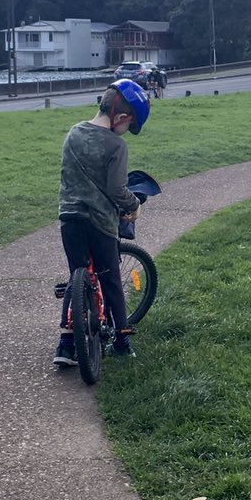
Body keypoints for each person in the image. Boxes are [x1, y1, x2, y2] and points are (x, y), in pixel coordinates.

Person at [53, 79, 150, 366]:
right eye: (128, 126)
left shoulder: (73, 133)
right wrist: (133, 207)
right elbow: (117, 189)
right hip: (100, 223)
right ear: (121, 117)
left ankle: (66, 344)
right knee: (110, 280)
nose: (126, 133)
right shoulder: (116, 145)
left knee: (76, 275)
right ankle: (122, 340)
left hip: (69, 218)